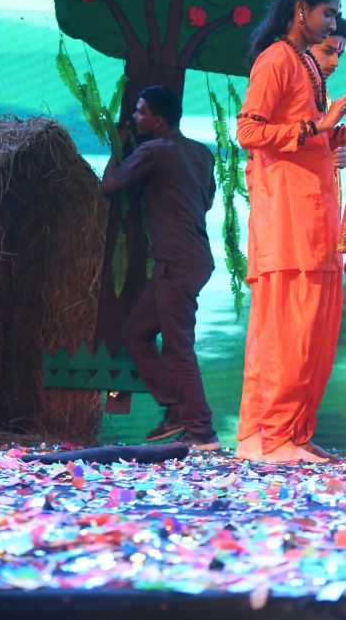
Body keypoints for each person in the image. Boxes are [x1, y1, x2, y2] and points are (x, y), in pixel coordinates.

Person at [234, 0, 346, 464]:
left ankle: (276, 435)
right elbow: (249, 131)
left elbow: (305, 134)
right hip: (288, 217)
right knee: (291, 332)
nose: (332, 24)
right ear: (300, 9)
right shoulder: (276, 59)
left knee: (310, 332)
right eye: (328, 14)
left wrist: (341, 134)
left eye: (336, 16)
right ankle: (274, 437)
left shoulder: (305, 63)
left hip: (312, 212)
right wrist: (319, 126)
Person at [102, 85, 218, 450]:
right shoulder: (201, 153)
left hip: (177, 262)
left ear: (159, 119)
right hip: (191, 259)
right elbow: (207, 201)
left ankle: (201, 431)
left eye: (140, 112)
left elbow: (110, 185)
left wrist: (117, 146)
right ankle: (174, 410)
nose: (135, 118)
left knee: (178, 348)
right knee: (137, 332)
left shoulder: (155, 150)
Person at [310, 15, 346, 172]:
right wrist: (323, 162)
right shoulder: (289, 86)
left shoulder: (320, 90)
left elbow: (311, 139)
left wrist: (342, 136)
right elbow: (267, 145)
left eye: (339, 55)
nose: (336, 63)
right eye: (328, 51)